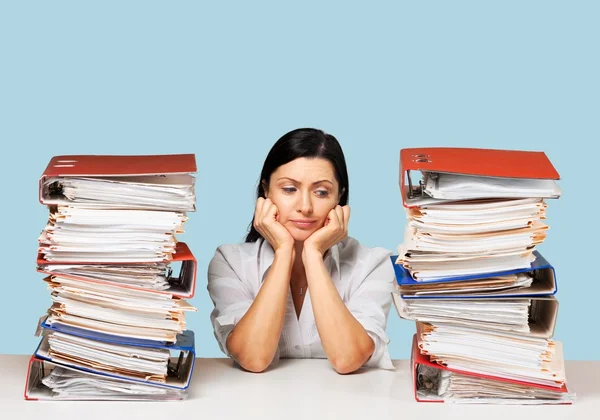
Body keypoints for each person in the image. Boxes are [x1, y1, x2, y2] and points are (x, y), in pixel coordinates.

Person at [207, 128, 396, 374]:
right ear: (266, 190)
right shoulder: (230, 261)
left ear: (340, 196)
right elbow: (253, 358)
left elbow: (348, 358)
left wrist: (313, 255)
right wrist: (284, 251)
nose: (305, 207)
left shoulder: (373, 263)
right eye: (289, 189)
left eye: (321, 192)